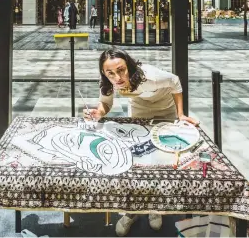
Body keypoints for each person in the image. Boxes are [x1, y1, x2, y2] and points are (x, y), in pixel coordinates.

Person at [83, 48, 198, 236]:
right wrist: (99, 112)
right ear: (104, 73)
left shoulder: (149, 76)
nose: (117, 77)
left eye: (121, 70)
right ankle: (132, 211)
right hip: (139, 109)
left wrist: (181, 114)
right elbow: (106, 103)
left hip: (164, 109)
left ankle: (154, 208)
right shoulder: (107, 82)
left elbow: (175, 82)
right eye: (110, 73)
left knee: (160, 160)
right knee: (137, 159)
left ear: (129, 65)